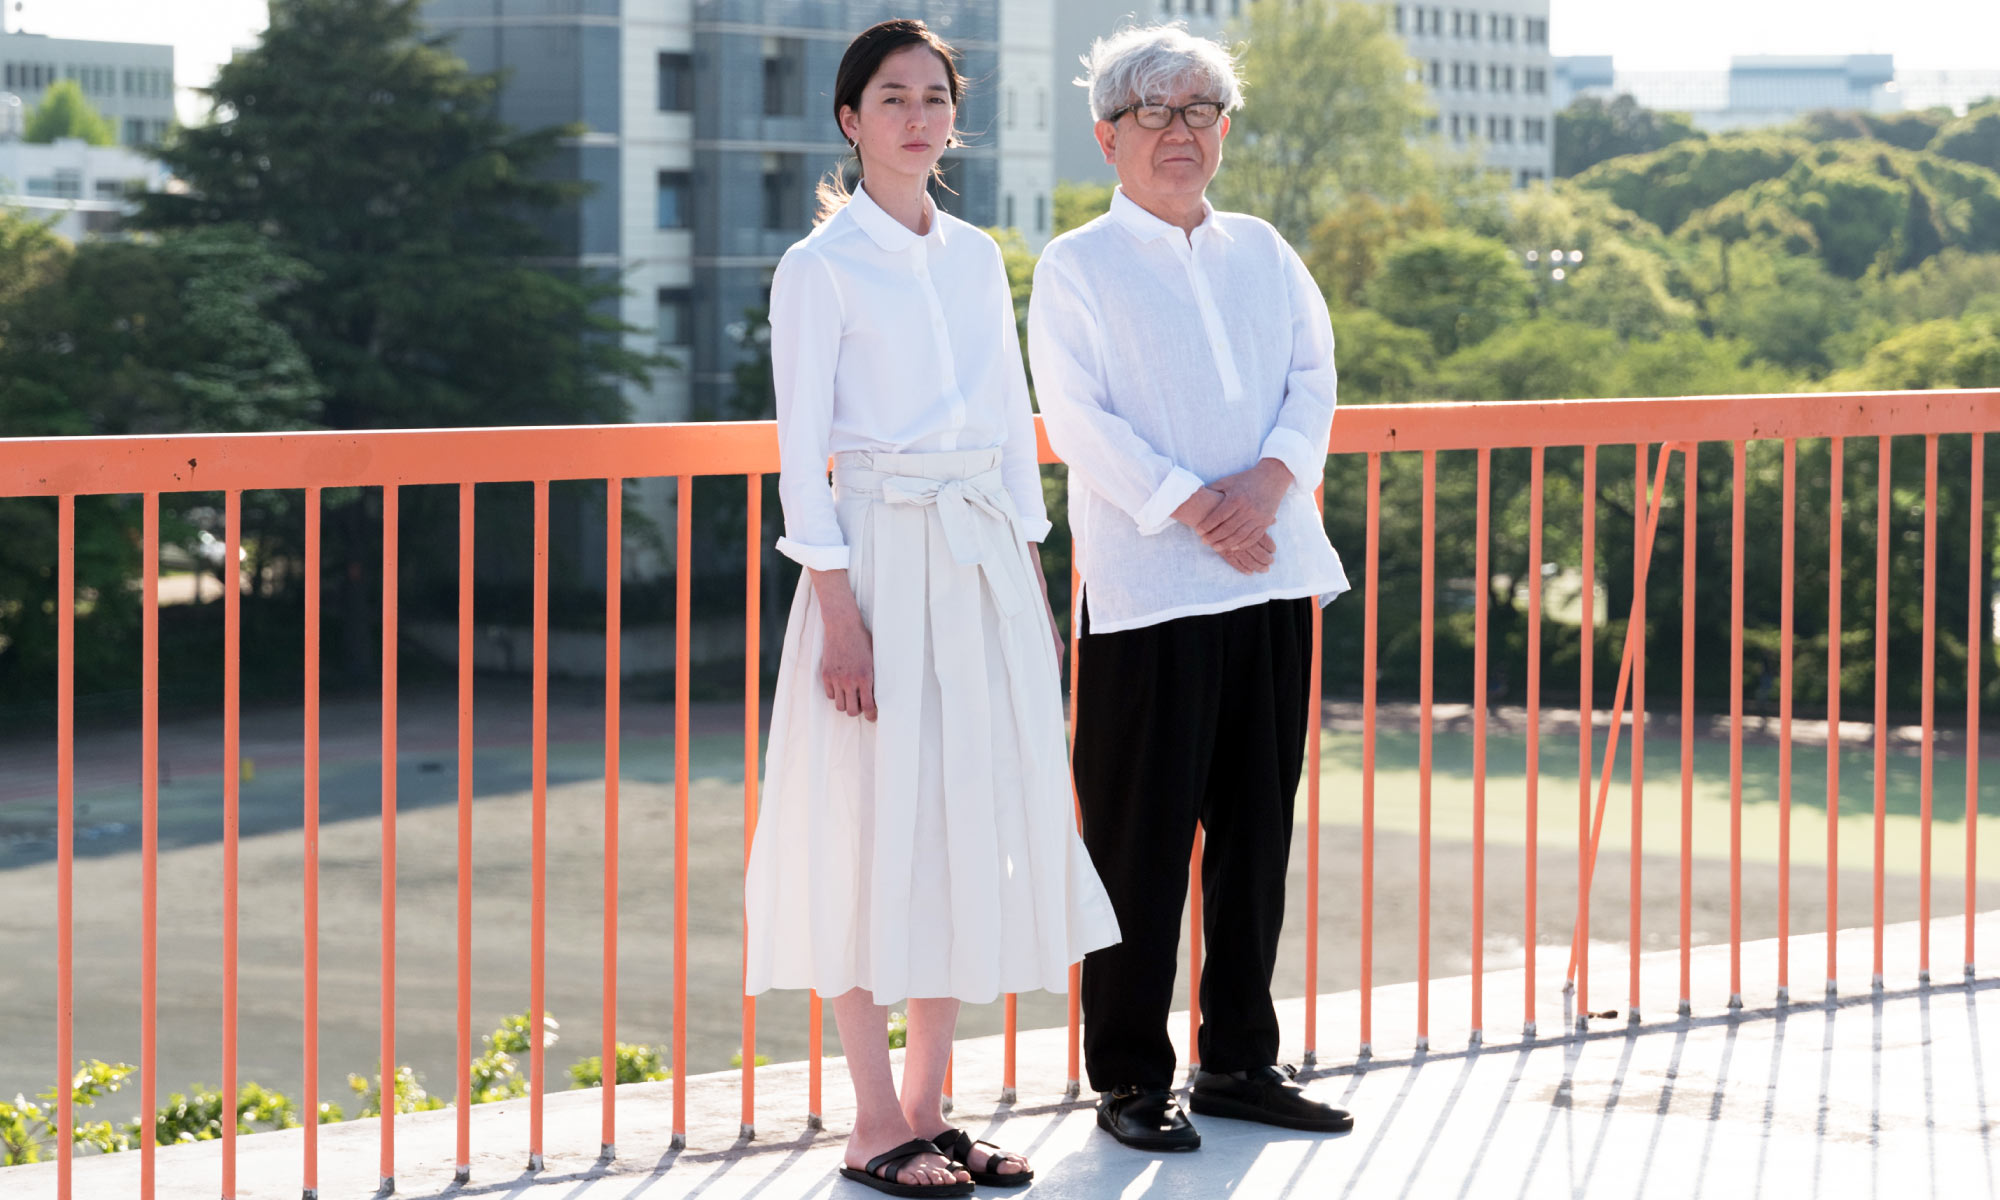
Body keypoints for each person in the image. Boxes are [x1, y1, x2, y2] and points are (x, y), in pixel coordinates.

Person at [743, 18, 1120, 1197]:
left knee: (961, 821)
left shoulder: (972, 256)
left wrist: (1028, 576)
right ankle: (869, 1122)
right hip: (872, 562)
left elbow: (1008, 423)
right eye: (892, 98)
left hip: (980, 562)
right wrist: (838, 615)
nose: (917, 117)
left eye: (935, 98)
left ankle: (926, 1112)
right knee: (862, 827)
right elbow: (800, 456)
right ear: (849, 120)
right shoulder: (817, 268)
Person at [1027, 23, 1355, 1151]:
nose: (1182, 132)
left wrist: (1268, 482)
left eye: (1202, 110)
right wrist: (1194, 506)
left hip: (1270, 578)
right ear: (1108, 135)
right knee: (1138, 846)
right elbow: (1075, 419)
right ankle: (1128, 1079)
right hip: (1146, 594)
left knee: (1256, 836)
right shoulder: (1076, 265)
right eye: (1156, 112)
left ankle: (1239, 1063)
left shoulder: (1264, 249)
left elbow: (1313, 377)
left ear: (1223, 127)